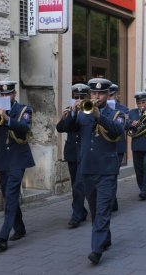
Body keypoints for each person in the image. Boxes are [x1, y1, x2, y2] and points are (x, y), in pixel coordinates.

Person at [60, 78, 125, 265]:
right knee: (96, 209)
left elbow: (117, 131)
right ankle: (106, 237)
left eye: (101, 93)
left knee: (103, 209)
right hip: (87, 168)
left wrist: (98, 116)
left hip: (107, 170)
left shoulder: (116, 113)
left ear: (108, 94)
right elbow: (65, 128)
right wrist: (72, 112)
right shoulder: (82, 112)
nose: (96, 96)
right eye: (94, 93)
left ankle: (96, 250)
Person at [0, 80, 35, 251]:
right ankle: (19, 228)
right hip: (3, 160)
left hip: (18, 160)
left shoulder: (23, 110)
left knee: (11, 196)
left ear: (13, 94)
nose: (4, 97)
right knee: (8, 195)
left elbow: (24, 128)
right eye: (1, 94)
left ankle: (3, 238)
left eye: (7, 94)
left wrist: (7, 119)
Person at [56, 83, 89, 228]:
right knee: (75, 185)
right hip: (71, 153)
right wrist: (69, 115)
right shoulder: (70, 111)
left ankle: (76, 216)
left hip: (84, 152)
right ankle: (81, 211)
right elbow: (61, 128)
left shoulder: (90, 111)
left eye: (82, 97)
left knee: (79, 185)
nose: (79, 100)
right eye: (77, 97)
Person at [108, 84, 129, 211]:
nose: (109, 98)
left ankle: (110, 204)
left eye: (111, 95)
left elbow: (125, 127)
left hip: (118, 147)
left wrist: (126, 120)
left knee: (112, 175)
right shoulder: (99, 108)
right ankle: (112, 201)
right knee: (108, 176)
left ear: (116, 95)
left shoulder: (123, 109)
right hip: (104, 147)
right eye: (108, 95)